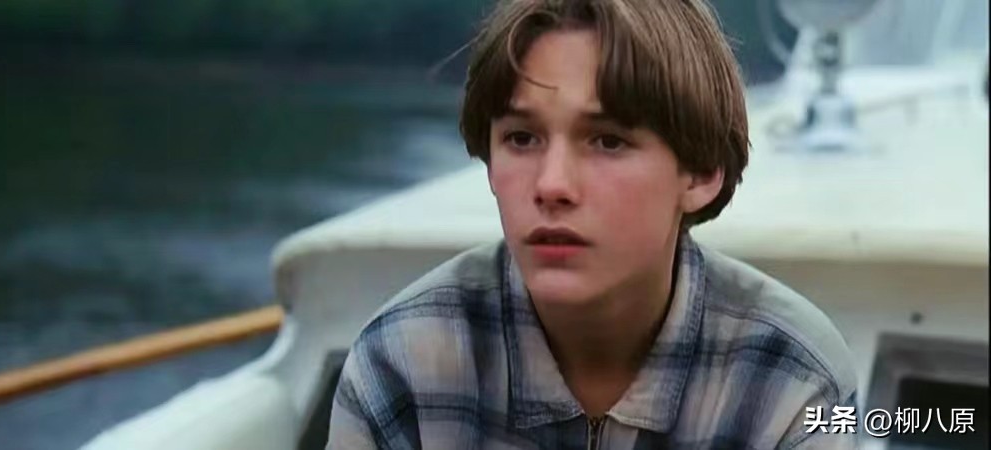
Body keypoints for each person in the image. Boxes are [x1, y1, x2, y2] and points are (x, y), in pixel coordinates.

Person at [327, 0, 858, 448]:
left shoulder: (791, 378)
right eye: (521, 139)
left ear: (700, 171)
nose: (551, 185)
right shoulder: (402, 360)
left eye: (608, 141)